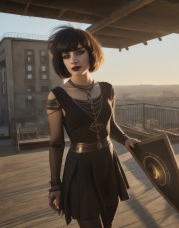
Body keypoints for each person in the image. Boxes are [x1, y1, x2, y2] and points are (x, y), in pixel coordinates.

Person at [46, 26, 138, 228]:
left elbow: (111, 125)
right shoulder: (57, 96)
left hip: (107, 162)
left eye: (79, 52)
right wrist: (55, 185)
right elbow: (56, 143)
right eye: (66, 55)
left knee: (108, 222)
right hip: (80, 168)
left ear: (91, 53)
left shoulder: (107, 89)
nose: (73, 60)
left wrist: (125, 139)